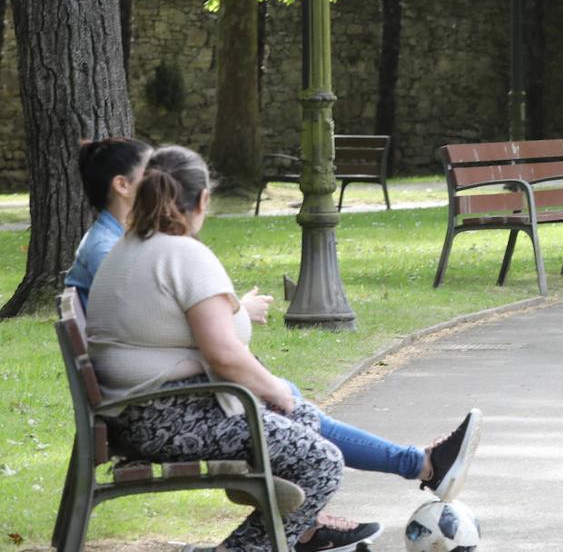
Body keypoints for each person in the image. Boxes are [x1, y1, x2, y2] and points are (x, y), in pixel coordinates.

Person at [86, 145, 480, 552]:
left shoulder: (128, 248)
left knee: (300, 413)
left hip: (146, 413)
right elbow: (222, 353)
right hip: (170, 417)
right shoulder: (182, 253)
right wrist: (272, 391)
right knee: (321, 462)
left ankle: (391, 481)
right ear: (203, 199)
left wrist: (276, 393)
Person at [65, 137, 152, 310]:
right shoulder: (104, 249)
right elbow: (140, 311)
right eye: (150, 173)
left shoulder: (123, 237)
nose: (163, 181)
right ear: (122, 185)